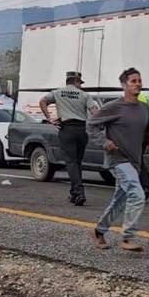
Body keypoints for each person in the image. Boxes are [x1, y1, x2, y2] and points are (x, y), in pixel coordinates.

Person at [89, 68, 149, 252]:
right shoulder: (114, 107)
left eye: (139, 80)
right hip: (118, 159)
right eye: (133, 81)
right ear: (124, 85)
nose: (137, 83)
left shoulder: (144, 108)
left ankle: (99, 231)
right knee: (137, 195)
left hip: (135, 161)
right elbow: (91, 125)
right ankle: (127, 238)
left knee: (120, 200)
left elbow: (145, 132)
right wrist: (105, 142)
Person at [40, 71, 94, 206]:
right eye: (80, 83)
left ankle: (79, 192)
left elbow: (43, 101)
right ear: (76, 82)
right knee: (77, 162)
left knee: (71, 162)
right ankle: (74, 193)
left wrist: (49, 118)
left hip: (67, 129)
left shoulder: (58, 93)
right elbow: (95, 112)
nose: (80, 85)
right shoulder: (85, 95)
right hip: (81, 130)